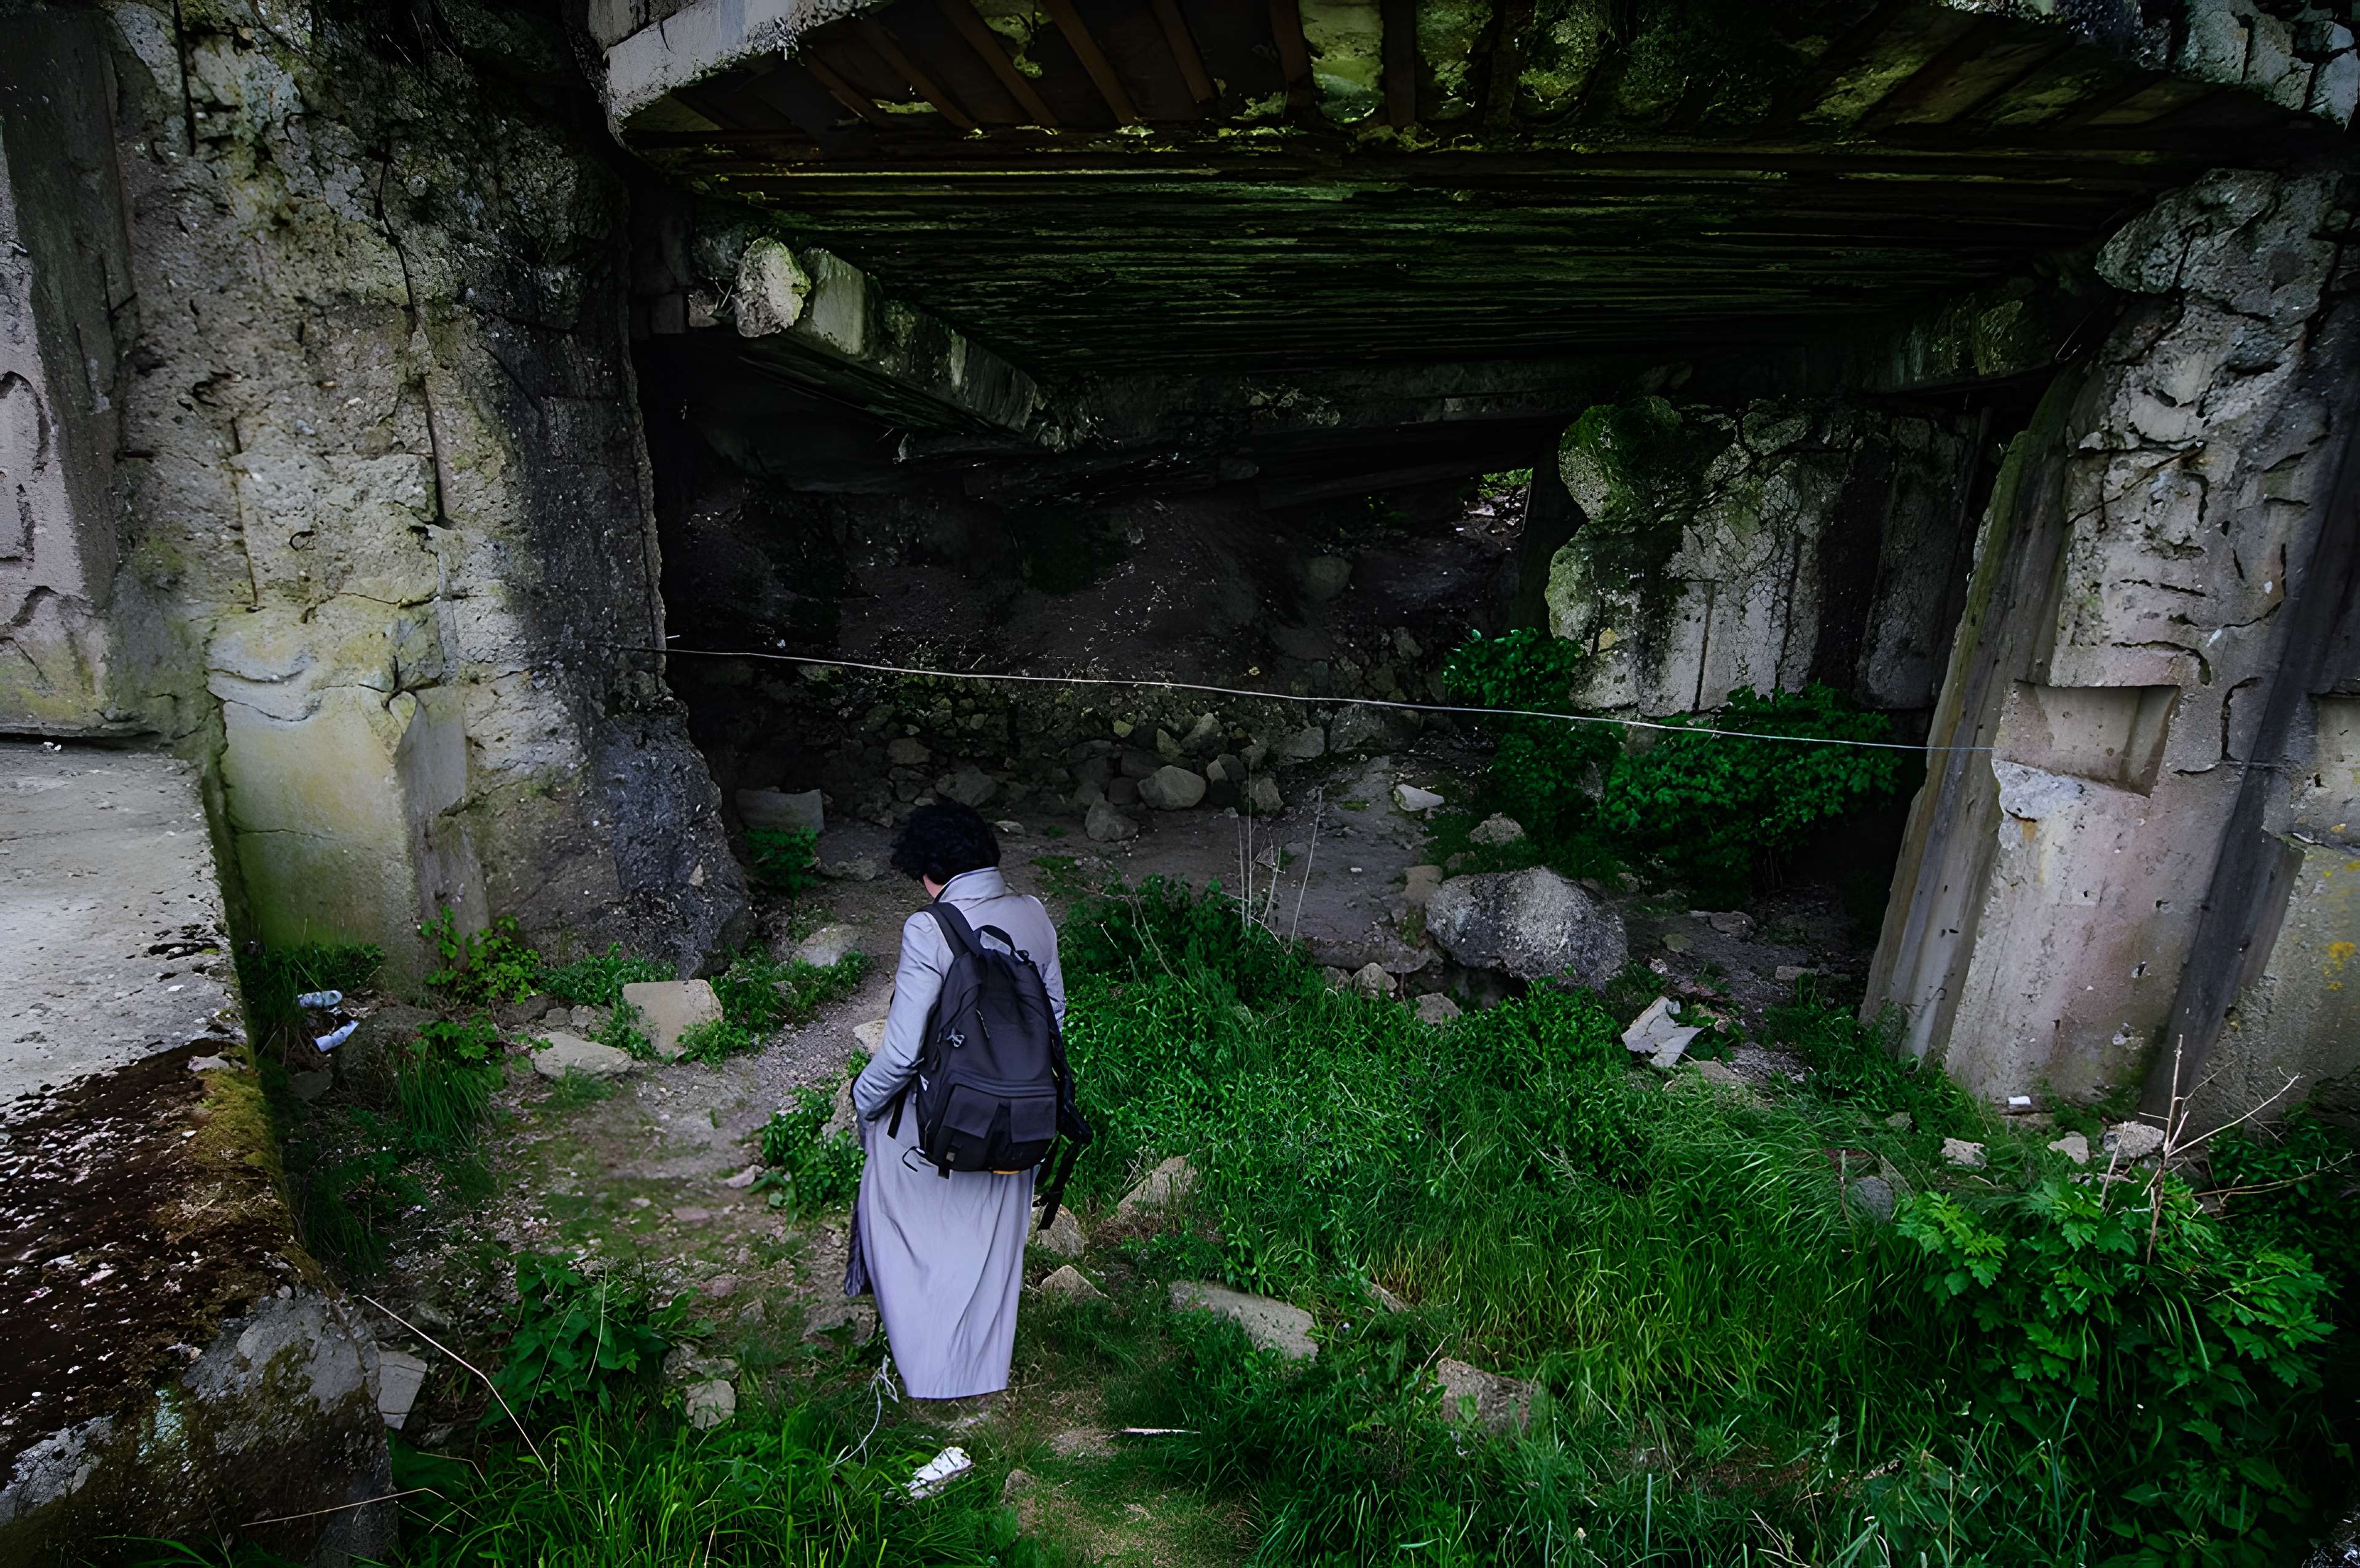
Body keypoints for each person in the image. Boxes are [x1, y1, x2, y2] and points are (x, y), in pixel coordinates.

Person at [846, 800, 1065, 1400]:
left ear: (929, 870)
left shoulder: (929, 927)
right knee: (987, 1249)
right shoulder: (1034, 915)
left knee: (903, 1223)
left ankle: (929, 1375)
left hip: (945, 1126)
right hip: (1022, 1120)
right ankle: (982, 1372)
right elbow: (1055, 1022)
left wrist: (861, 1101)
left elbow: (901, 1053)